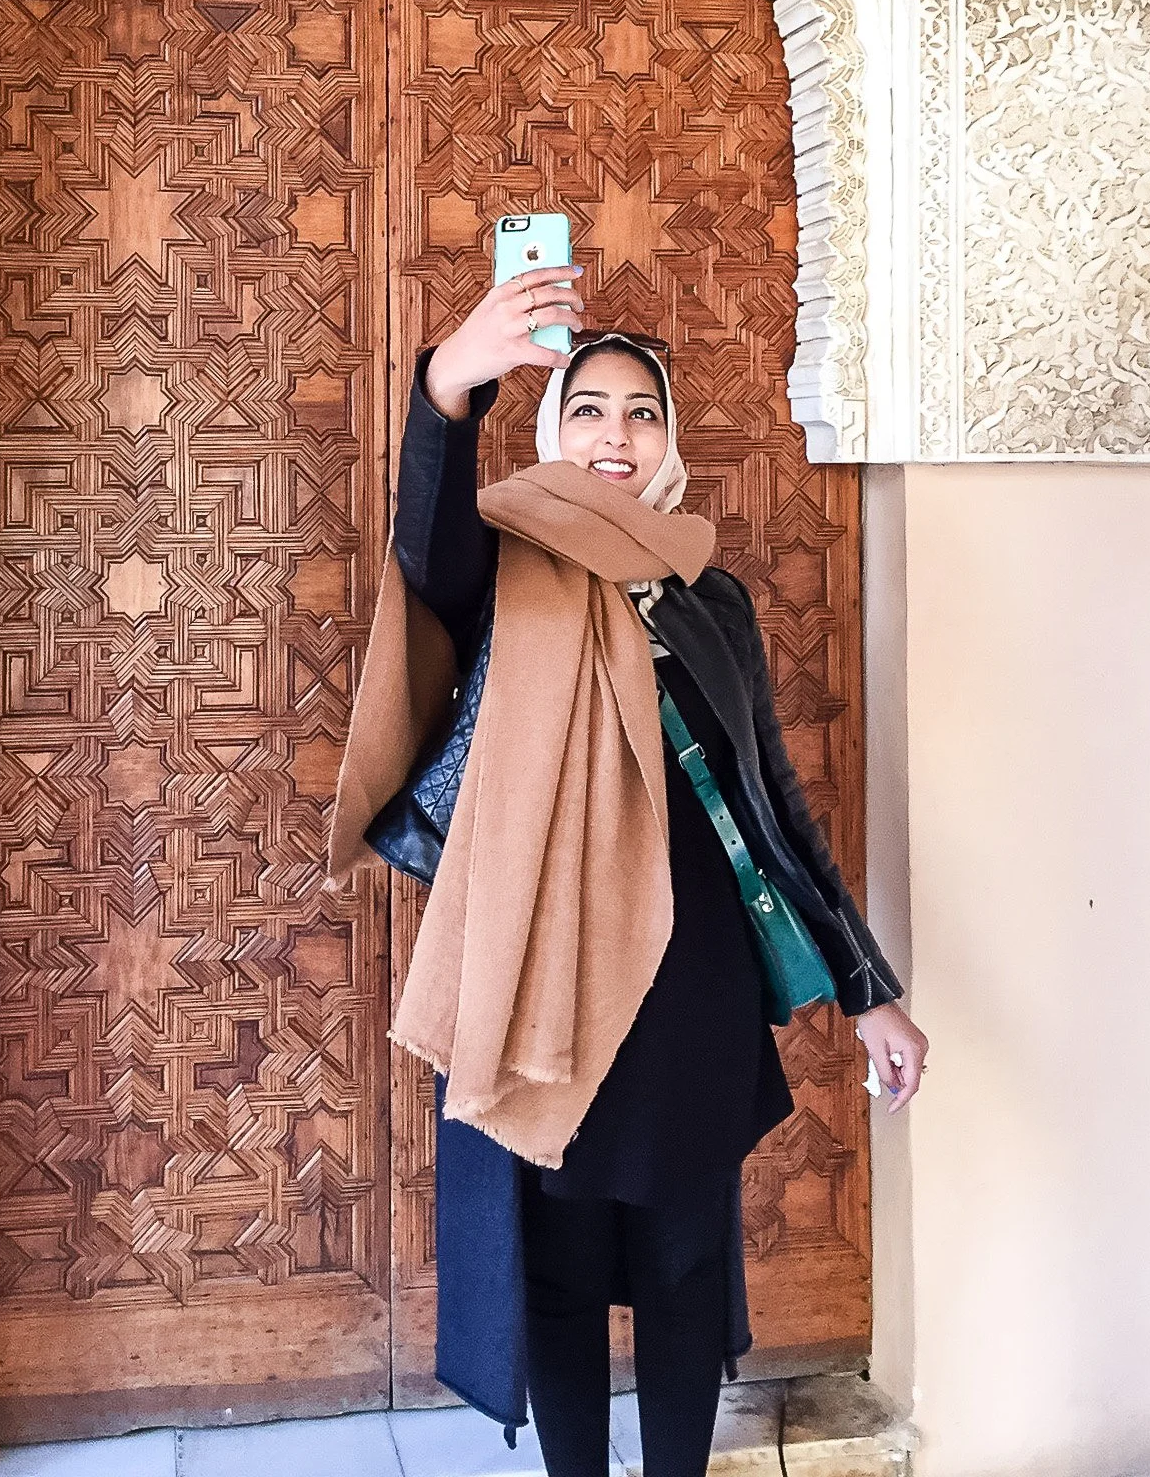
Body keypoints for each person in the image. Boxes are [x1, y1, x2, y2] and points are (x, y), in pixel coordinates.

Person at [328, 265, 928, 1477]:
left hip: (689, 976)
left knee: (681, 1262)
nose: (616, 431)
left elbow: (772, 807)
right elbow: (424, 547)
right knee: (554, 1267)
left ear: (669, 437)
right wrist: (449, 386)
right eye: (589, 406)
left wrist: (870, 989)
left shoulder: (710, 595)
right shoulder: (500, 562)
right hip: (545, 964)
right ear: (554, 425)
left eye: (641, 410)